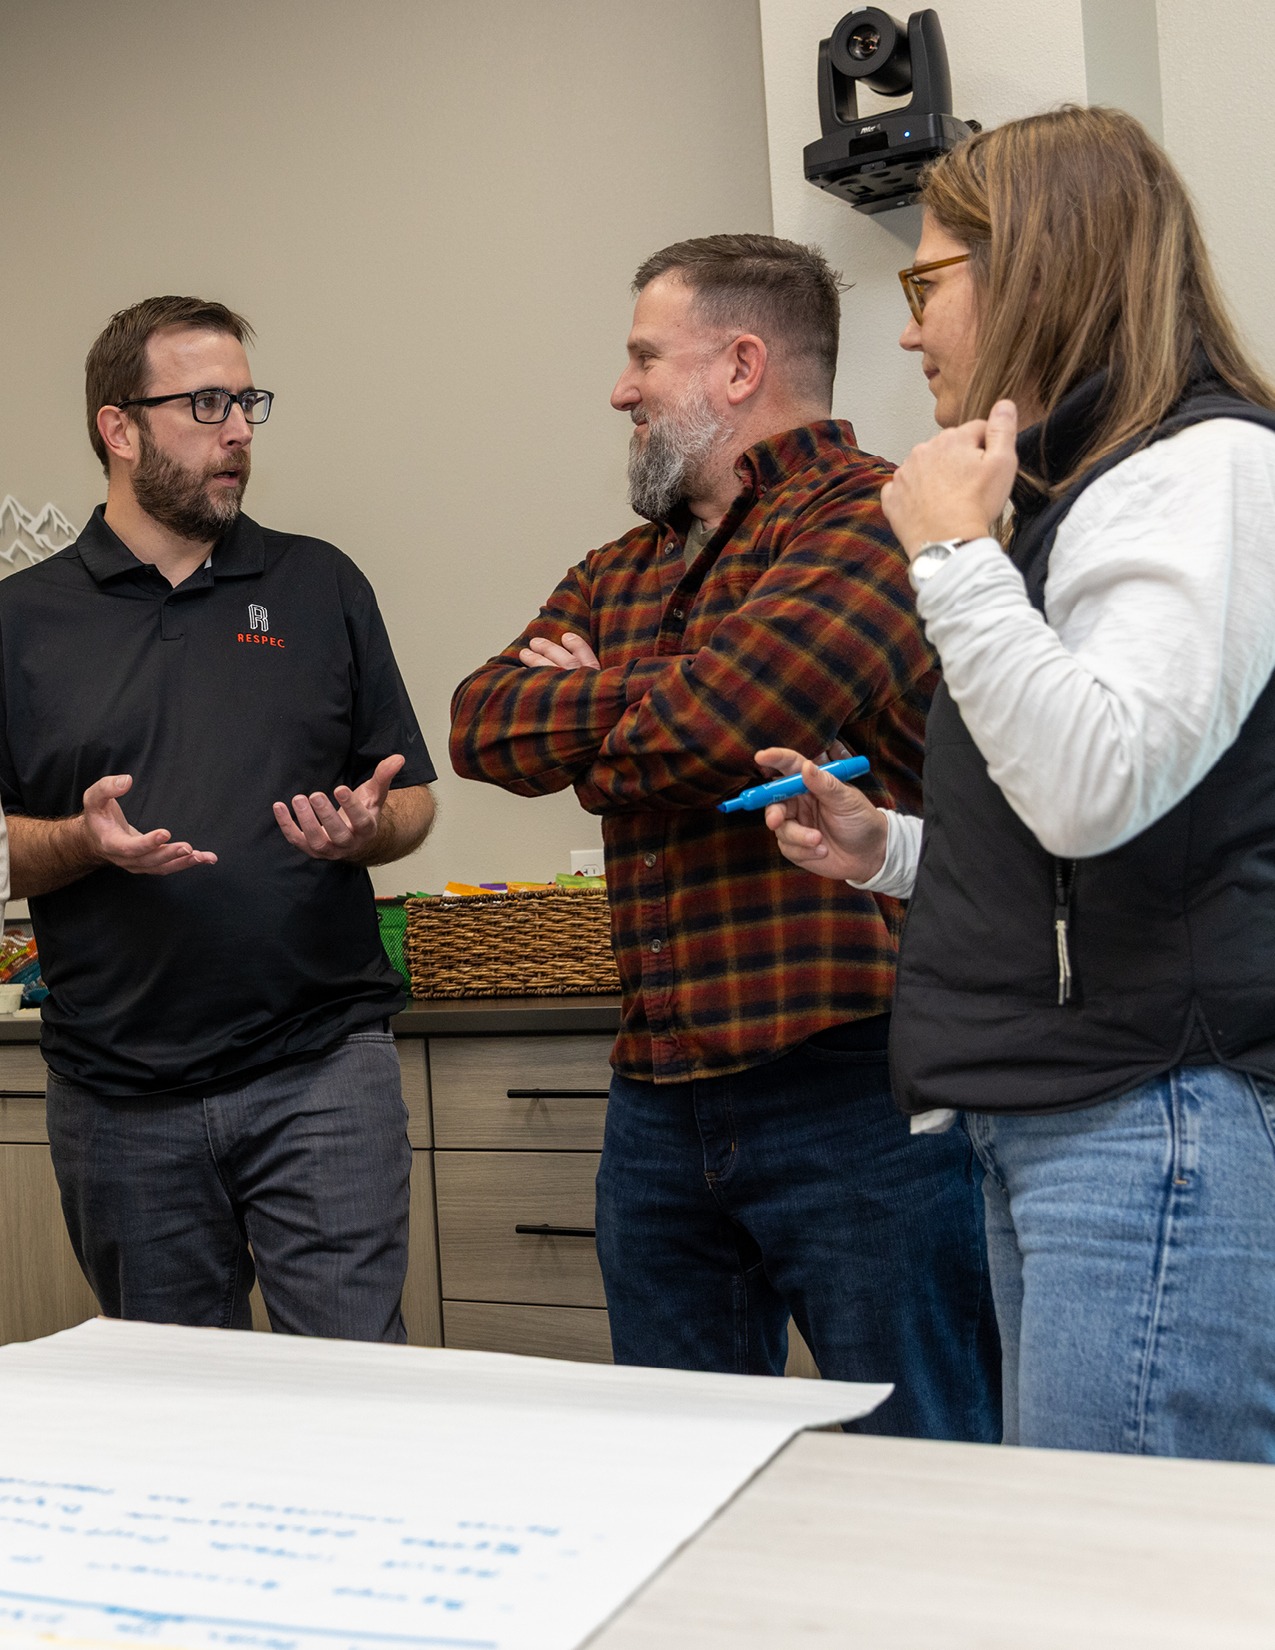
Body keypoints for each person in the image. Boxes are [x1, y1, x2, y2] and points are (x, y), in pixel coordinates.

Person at [764, 107, 1275, 1462]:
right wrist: (892, 851)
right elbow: (1106, 843)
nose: (906, 326)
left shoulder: (1201, 470)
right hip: (1062, 1114)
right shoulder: (1079, 490)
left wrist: (946, 555)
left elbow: (1091, 784)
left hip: (1144, 1115)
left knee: (1125, 1581)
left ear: (1035, 267)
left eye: (924, 283)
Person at [450, 234, 999, 1440]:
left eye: (646, 355)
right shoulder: (621, 568)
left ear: (741, 365)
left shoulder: (874, 519)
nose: (621, 387)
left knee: (927, 1466)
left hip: (852, 1088)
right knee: (673, 1473)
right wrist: (675, 692)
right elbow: (480, 723)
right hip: (653, 1101)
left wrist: (612, 710)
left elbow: (716, 732)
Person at [0, 296, 436, 1340]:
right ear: (120, 428)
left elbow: (411, 798)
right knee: (179, 1420)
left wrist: (367, 829)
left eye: (247, 401)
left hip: (321, 1069)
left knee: (352, 1398)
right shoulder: (20, 623)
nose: (239, 428)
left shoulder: (320, 583)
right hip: (117, 1096)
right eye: (206, 403)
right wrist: (77, 841)